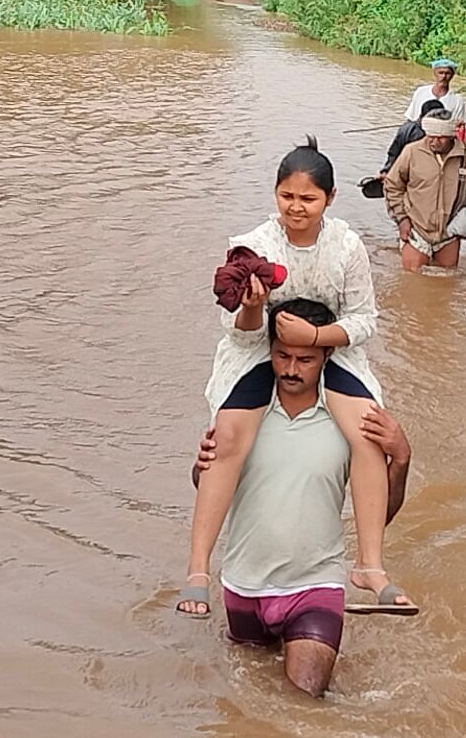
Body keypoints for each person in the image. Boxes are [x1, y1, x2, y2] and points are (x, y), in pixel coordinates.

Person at [178, 139, 416, 620]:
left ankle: (370, 565)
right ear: (275, 195)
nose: (296, 207)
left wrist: (318, 335)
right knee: (226, 438)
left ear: (329, 199)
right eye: (287, 196)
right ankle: (199, 570)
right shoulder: (252, 246)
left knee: (368, 433)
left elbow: (365, 320)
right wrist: (251, 310)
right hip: (260, 352)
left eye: (308, 199)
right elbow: (239, 333)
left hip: (332, 351)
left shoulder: (347, 246)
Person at [190, 298, 414, 697]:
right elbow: (209, 487)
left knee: (302, 703)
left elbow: (378, 516)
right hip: (244, 586)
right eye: (282, 356)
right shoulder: (245, 415)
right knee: (244, 702)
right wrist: (203, 460)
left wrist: (400, 460)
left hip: (316, 585)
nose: (291, 369)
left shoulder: (350, 425)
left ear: (327, 355)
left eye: (305, 360)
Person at [384, 109, 466, 272]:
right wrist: (402, 219)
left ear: (452, 135)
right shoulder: (411, 152)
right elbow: (392, 185)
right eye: (431, 136)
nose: (434, 141)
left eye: (440, 137)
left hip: (450, 234)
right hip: (416, 231)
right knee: (411, 280)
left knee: (447, 281)